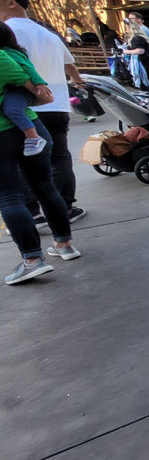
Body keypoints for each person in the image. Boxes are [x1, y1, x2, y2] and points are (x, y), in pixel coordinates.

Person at [0, 23, 82, 285]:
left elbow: (13, 70)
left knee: (10, 197)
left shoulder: (4, 56)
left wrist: (35, 86)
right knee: (44, 187)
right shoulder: (14, 53)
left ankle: (32, 260)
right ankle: (64, 244)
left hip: (4, 135)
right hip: (31, 126)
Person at [0, 0, 87, 225]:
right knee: (59, 157)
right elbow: (70, 64)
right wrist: (78, 83)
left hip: (25, 108)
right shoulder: (47, 33)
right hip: (57, 104)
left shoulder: (7, 32)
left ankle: (34, 213)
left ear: (10, 2)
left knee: (24, 162)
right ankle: (65, 208)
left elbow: (12, 70)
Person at [0, 22, 49, 155]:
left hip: (20, 91)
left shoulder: (8, 54)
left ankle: (33, 138)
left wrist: (39, 84)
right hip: (13, 89)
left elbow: (28, 68)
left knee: (12, 109)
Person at [122, 20, 149, 98]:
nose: (126, 30)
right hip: (145, 62)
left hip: (145, 63)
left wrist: (125, 51)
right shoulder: (138, 38)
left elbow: (140, 51)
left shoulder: (137, 39)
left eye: (127, 28)